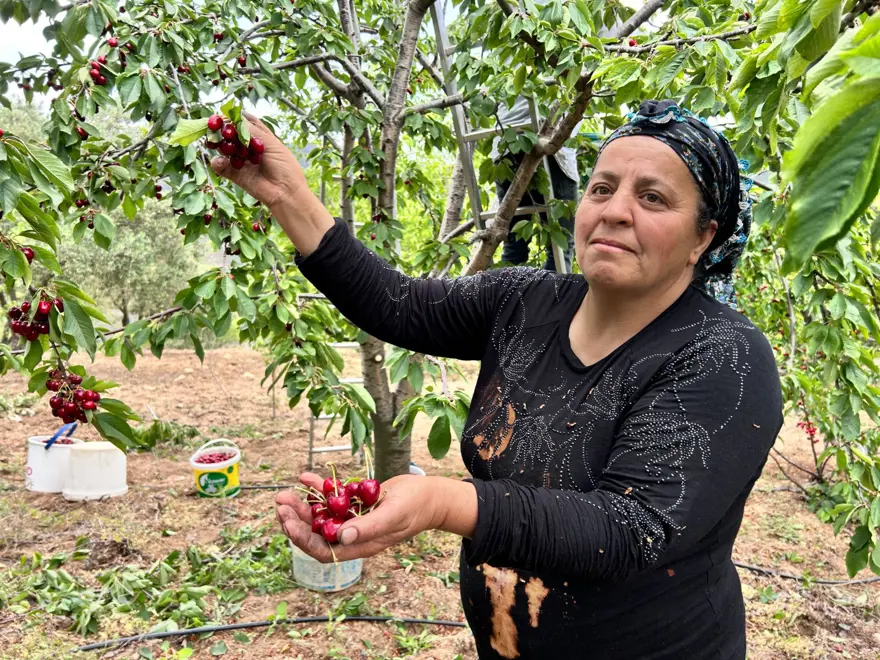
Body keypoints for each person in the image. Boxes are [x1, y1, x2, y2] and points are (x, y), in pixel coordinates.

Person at [212, 99, 782, 660]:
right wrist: (288, 195)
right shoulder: (526, 302)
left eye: (652, 197)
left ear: (703, 237)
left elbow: (627, 527)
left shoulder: (723, 356)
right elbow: (398, 305)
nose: (614, 210)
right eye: (602, 188)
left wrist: (440, 502)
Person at [491, 96, 580, 272]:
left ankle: (506, 298)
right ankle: (552, 298)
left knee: (514, 245)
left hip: (504, 150)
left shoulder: (500, 70)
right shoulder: (570, 67)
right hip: (551, 151)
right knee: (561, 248)